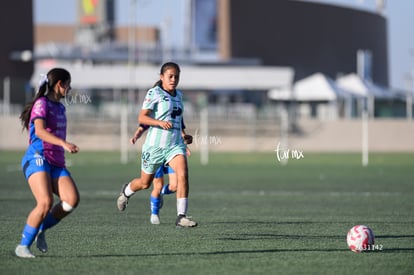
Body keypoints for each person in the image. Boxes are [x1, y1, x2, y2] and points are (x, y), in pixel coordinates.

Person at [117, 62, 197, 227]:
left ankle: (181, 216)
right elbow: (142, 117)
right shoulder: (154, 93)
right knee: (145, 183)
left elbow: (178, 118)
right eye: (170, 76)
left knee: (183, 175)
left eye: (176, 76)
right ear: (162, 77)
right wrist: (159, 123)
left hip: (174, 146)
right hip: (154, 147)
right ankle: (126, 191)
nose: (173, 79)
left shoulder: (179, 96)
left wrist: (183, 135)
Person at [15, 68, 80, 258]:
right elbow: (40, 131)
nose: (70, 88)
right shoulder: (41, 104)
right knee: (45, 202)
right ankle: (22, 246)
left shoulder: (60, 107)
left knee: (71, 201)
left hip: (56, 162)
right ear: (60, 84)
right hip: (38, 157)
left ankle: (40, 229)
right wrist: (64, 143)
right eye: (68, 84)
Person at [129, 122, 192, 225]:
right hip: (156, 152)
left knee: (175, 186)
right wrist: (137, 135)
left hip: (172, 151)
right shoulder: (157, 109)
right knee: (156, 186)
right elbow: (144, 123)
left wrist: (184, 144)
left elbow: (179, 128)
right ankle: (154, 213)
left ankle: (161, 193)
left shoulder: (176, 107)